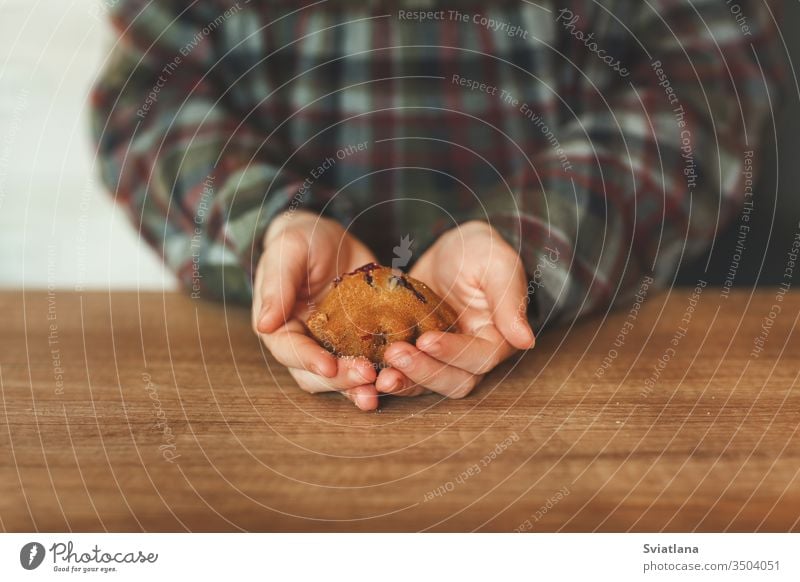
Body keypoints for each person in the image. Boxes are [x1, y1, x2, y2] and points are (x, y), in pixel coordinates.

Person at [91, 0, 784, 410]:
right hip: (249, 354)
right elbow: (148, 97)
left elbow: (704, 84)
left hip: (590, 351)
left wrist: (528, 236)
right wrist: (271, 218)